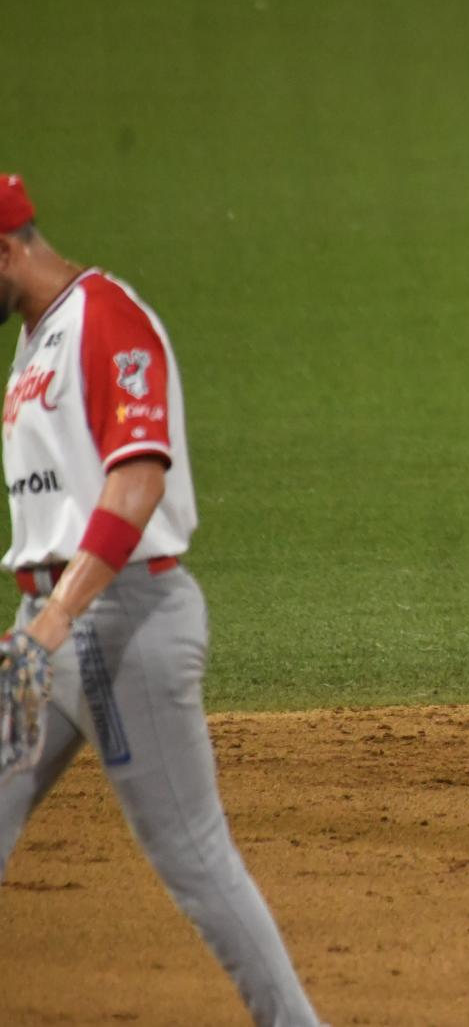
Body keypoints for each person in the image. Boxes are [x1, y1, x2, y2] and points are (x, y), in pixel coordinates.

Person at [0, 176, 325, 1025]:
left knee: (191, 851)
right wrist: (39, 624)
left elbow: (137, 479)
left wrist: (56, 616)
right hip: (53, 631)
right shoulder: (34, 340)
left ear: (5, 249)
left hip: (121, 620)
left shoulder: (105, 317)